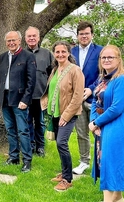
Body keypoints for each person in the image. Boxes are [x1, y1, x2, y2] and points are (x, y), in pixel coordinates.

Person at [41, 41, 84, 191]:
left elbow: (78, 96)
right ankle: (64, 172)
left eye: (63, 52)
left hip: (68, 114)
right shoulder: (55, 69)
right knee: (60, 145)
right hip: (55, 113)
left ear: (68, 53)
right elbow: (51, 89)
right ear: (54, 53)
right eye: (57, 52)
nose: (60, 54)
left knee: (61, 143)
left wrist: (66, 115)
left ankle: (67, 179)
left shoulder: (75, 70)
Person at [89, 45, 124, 202]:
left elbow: (116, 108)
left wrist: (96, 122)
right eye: (103, 57)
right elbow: (95, 101)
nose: (106, 60)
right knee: (106, 165)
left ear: (118, 59)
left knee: (112, 165)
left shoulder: (122, 80)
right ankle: (117, 199)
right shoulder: (102, 79)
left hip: (117, 128)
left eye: (110, 57)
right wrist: (94, 120)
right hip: (103, 127)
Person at [0, 31, 36, 173]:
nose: (11, 43)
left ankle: (27, 160)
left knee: (23, 131)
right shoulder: (3, 57)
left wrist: (26, 99)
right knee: (10, 130)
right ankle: (13, 157)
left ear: (19, 41)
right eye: (8, 41)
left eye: (14, 40)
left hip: (20, 101)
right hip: (5, 99)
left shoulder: (28, 56)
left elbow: (31, 81)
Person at [71, 21, 103, 175]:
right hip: (77, 99)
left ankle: (103, 161)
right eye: (81, 34)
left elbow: (103, 74)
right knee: (81, 132)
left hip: (94, 98)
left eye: (86, 33)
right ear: (77, 36)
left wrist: (91, 89)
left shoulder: (100, 51)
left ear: (92, 35)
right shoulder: (72, 52)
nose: (84, 36)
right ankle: (84, 161)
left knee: (99, 131)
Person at [24, 26, 53, 157]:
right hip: (25, 96)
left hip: (41, 95)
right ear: (25, 38)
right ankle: (30, 144)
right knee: (27, 121)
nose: (31, 38)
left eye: (34, 36)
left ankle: (40, 146)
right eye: (29, 36)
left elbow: (53, 73)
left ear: (38, 37)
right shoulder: (21, 54)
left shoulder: (47, 54)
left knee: (40, 123)